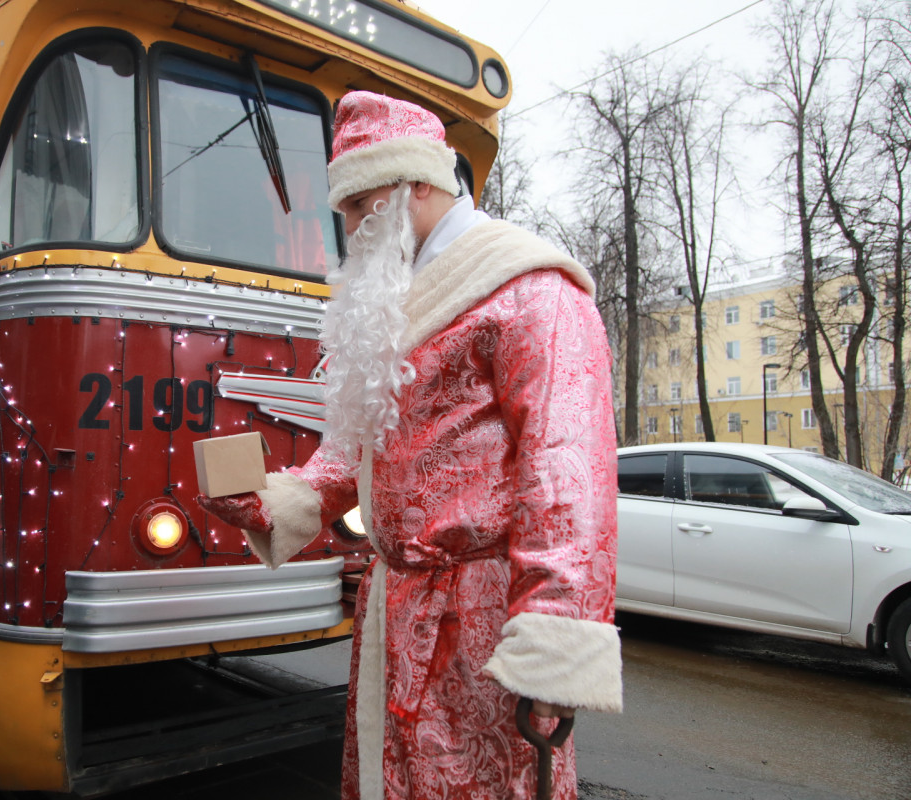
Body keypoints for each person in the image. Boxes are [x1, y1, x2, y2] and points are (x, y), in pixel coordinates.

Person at [199, 91, 622, 800]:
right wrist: (280, 504)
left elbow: (566, 474)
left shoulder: (529, 289)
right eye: (348, 214)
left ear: (416, 184)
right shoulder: (403, 293)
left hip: (485, 623)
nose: (355, 232)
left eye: (364, 209)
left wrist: (555, 647)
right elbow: (356, 449)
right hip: (397, 607)